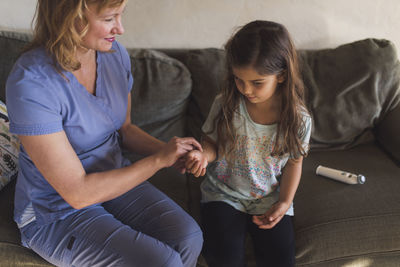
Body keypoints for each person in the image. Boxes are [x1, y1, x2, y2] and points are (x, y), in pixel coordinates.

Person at [5, 0, 203, 266]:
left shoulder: (114, 55)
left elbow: (125, 129)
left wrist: (173, 151)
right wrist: (159, 161)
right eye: (110, 18)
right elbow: (78, 194)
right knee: (162, 261)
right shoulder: (31, 82)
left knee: (188, 237)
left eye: (121, 16)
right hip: (56, 210)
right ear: (71, 17)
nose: (120, 29)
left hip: (113, 178)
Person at [185, 20, 312, 267]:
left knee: (281, 259)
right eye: (238, 79)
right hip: (223, 194)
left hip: (269, 198)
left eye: (257, 83)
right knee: (224, 258)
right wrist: (203, 156)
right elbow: (211, 142)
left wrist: (284, 202)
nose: (245, 89)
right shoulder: (226, 104)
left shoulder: (298, 120)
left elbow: (295, 163)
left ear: (282, 75)